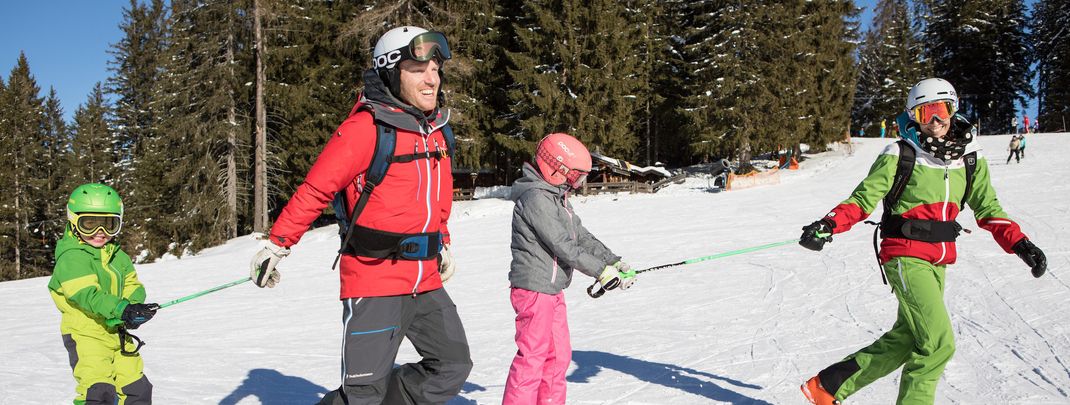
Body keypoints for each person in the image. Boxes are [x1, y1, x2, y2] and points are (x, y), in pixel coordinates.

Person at [248, 26, 472, 404]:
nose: (432, 79)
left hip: (425, 278)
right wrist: (277, 245)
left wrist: (443, 240)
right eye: (418, 70)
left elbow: (438, 198)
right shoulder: (365, 128)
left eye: (435, 69)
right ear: (391, 72)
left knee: (452, 365)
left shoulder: (435, 131)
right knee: (364, 391)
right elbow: (315, 189)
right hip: (374, 277)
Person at [797, 78, 1048, 405]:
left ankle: (826, 387)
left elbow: (988, 208)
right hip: (904, 255)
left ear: (953, 109)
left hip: (939, 260)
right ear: (913, 116)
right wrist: (828, 224)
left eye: (941, 109)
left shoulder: (969, 158)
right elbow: (862, 199)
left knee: (907, 339)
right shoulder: (900, 153)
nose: (935, 120)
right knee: (939, 344)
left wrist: (1020, 243)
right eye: (925, 112)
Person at [502, 133, 637, 405]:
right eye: (575, 176)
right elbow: (563, 245)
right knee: (533, 359)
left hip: (552, 290)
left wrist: (612, 261)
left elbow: (581, 236)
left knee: (558, 357)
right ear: (555, 168)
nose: (576, 183)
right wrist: (600, 271)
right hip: (534, 290)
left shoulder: (558, 198)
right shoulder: (536, 198)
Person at [48, 183, 158, 404]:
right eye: (89, 224)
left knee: (138, 389)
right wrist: (121, 309)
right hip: (86, 335)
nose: (100, 232)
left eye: (109, 224)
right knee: (98, 391)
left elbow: (132, 284)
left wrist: (132, 307)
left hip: (117, 332)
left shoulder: (118, 256)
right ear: (73, 221)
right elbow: (86, 294)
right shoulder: (72, 257)